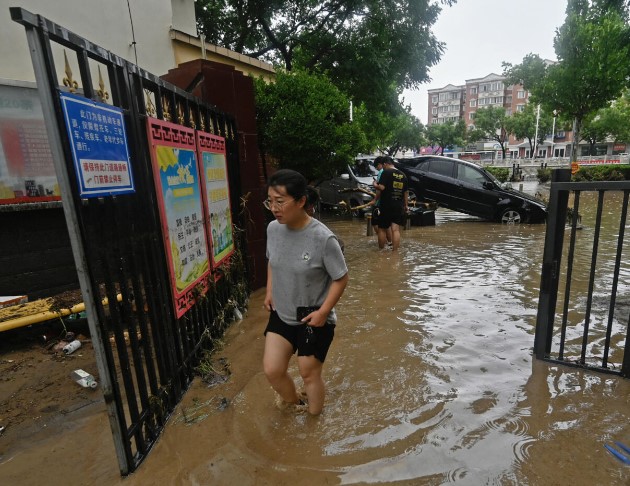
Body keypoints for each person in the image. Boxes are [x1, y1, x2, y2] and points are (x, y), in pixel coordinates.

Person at [263, 169, 349, 415]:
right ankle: (294, 404)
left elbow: (341, 278)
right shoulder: (273, 229)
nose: (274, 207)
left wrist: (323, 312)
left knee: (308, 373)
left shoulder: (324, 239)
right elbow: (272, 260)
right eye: (270, 201)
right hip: (282, 310)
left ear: (301, 201)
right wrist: (270, 291)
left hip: (313, 315)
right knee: (272, 370)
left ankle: (314, 423)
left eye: (280, 201)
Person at [375, 156, 408, 251]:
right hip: (398, 205)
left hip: (386, 205)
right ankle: (395, 252)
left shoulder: (386, 172)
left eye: (383, 166)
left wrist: (375, 184)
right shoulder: (403, 175)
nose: (383, 168)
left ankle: (381, 251)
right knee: (395, 229)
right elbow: (406, 192)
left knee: (382, 228)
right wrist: (406, 205)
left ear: (385, 164)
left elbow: (381, 188)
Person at [370, 157, 392, 246]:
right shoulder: (391, 173)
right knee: (387, 225)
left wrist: (375, 200)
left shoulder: (381, 173)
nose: (377, 169)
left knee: (376, 224)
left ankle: (383, 245)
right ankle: (390, 243)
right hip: (389, 202)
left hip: (380, 203)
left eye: (377, 167)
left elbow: (379, 189)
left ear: (380, 164)